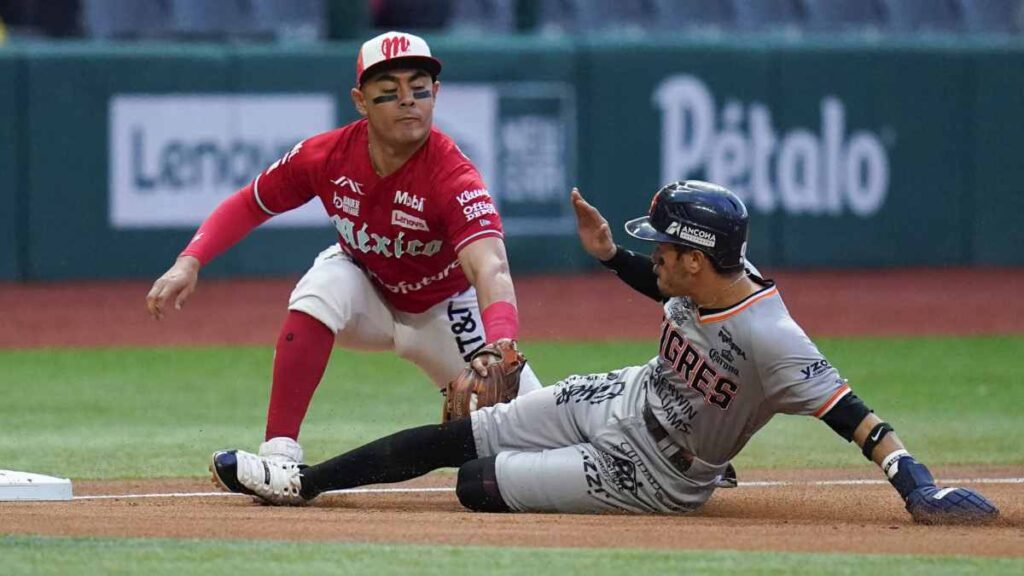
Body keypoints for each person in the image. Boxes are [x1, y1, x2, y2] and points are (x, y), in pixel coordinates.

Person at [208, 180, 999, 524]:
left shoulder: (773, 337)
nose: (651, 253)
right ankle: (303, 484)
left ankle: (710, 462)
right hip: (625, 395)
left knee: (477, 485)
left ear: (697, 257)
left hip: (652, 475)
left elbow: (857, 417)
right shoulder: (705, 280)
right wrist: (608, 259)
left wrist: (918, 489)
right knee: (467, 432)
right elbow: (674, 300)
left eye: (660, 247)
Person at [146, 30, 542, 465]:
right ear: (360, 101)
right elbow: (250, 202)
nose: (408, 100)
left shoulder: (453, 177)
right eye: (389, 92)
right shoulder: (327, 156)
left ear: (436, 94)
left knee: (535, 431)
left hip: (445, 310)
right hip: (367, 293)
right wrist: (189, 261)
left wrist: (501, 341)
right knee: (323, 285)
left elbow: (491, 268)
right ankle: (279, 452)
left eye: (420, 88)